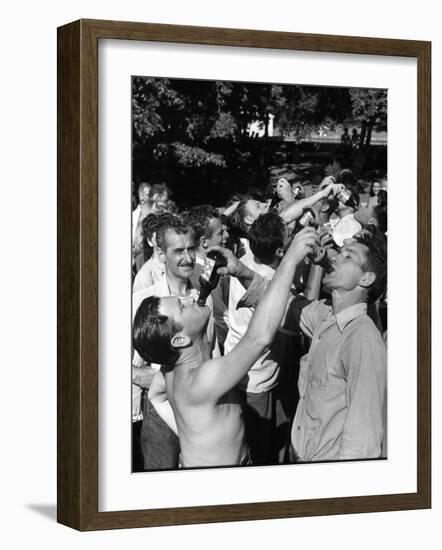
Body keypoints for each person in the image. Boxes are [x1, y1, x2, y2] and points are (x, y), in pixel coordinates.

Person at [133, 228, 319, 468]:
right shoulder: (202, 378)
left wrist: (189, 432)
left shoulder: (170, 372)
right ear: (179, 341)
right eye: (182, 306)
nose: (190, 298)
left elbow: (157, 398)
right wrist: (291, 259)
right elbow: (258, 337)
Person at [224, 232, 387, 462]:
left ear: (367, 279)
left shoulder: (363, 339)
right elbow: (282, 302)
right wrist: (241, 271)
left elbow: (362, 442)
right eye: (339, 252)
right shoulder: (325, 314)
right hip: (298, 455)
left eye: (348, 256)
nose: (336, 257)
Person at [132, 217, 219, 470]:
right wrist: (147, 378)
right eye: (178, 251)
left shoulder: (204, 296)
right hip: (162, 408)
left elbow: (210, 348)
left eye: (191, 248)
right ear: (160, 254)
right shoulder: (143, 300)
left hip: (203, 405)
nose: (188, 258)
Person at [224, 212, 294, 464]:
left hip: (237, 365)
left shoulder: (244, 259)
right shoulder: (274, 281)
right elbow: (290, 323)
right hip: (257, 378)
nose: (292, 238)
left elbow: (281, 219)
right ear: (278, 251)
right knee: (262, 447)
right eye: (289, 237)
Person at [183, 205, 230, 349]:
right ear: (204, 242)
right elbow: (220, 317)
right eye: (220, 233)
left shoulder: (211, 263)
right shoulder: (204, 272)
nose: (226, 236)